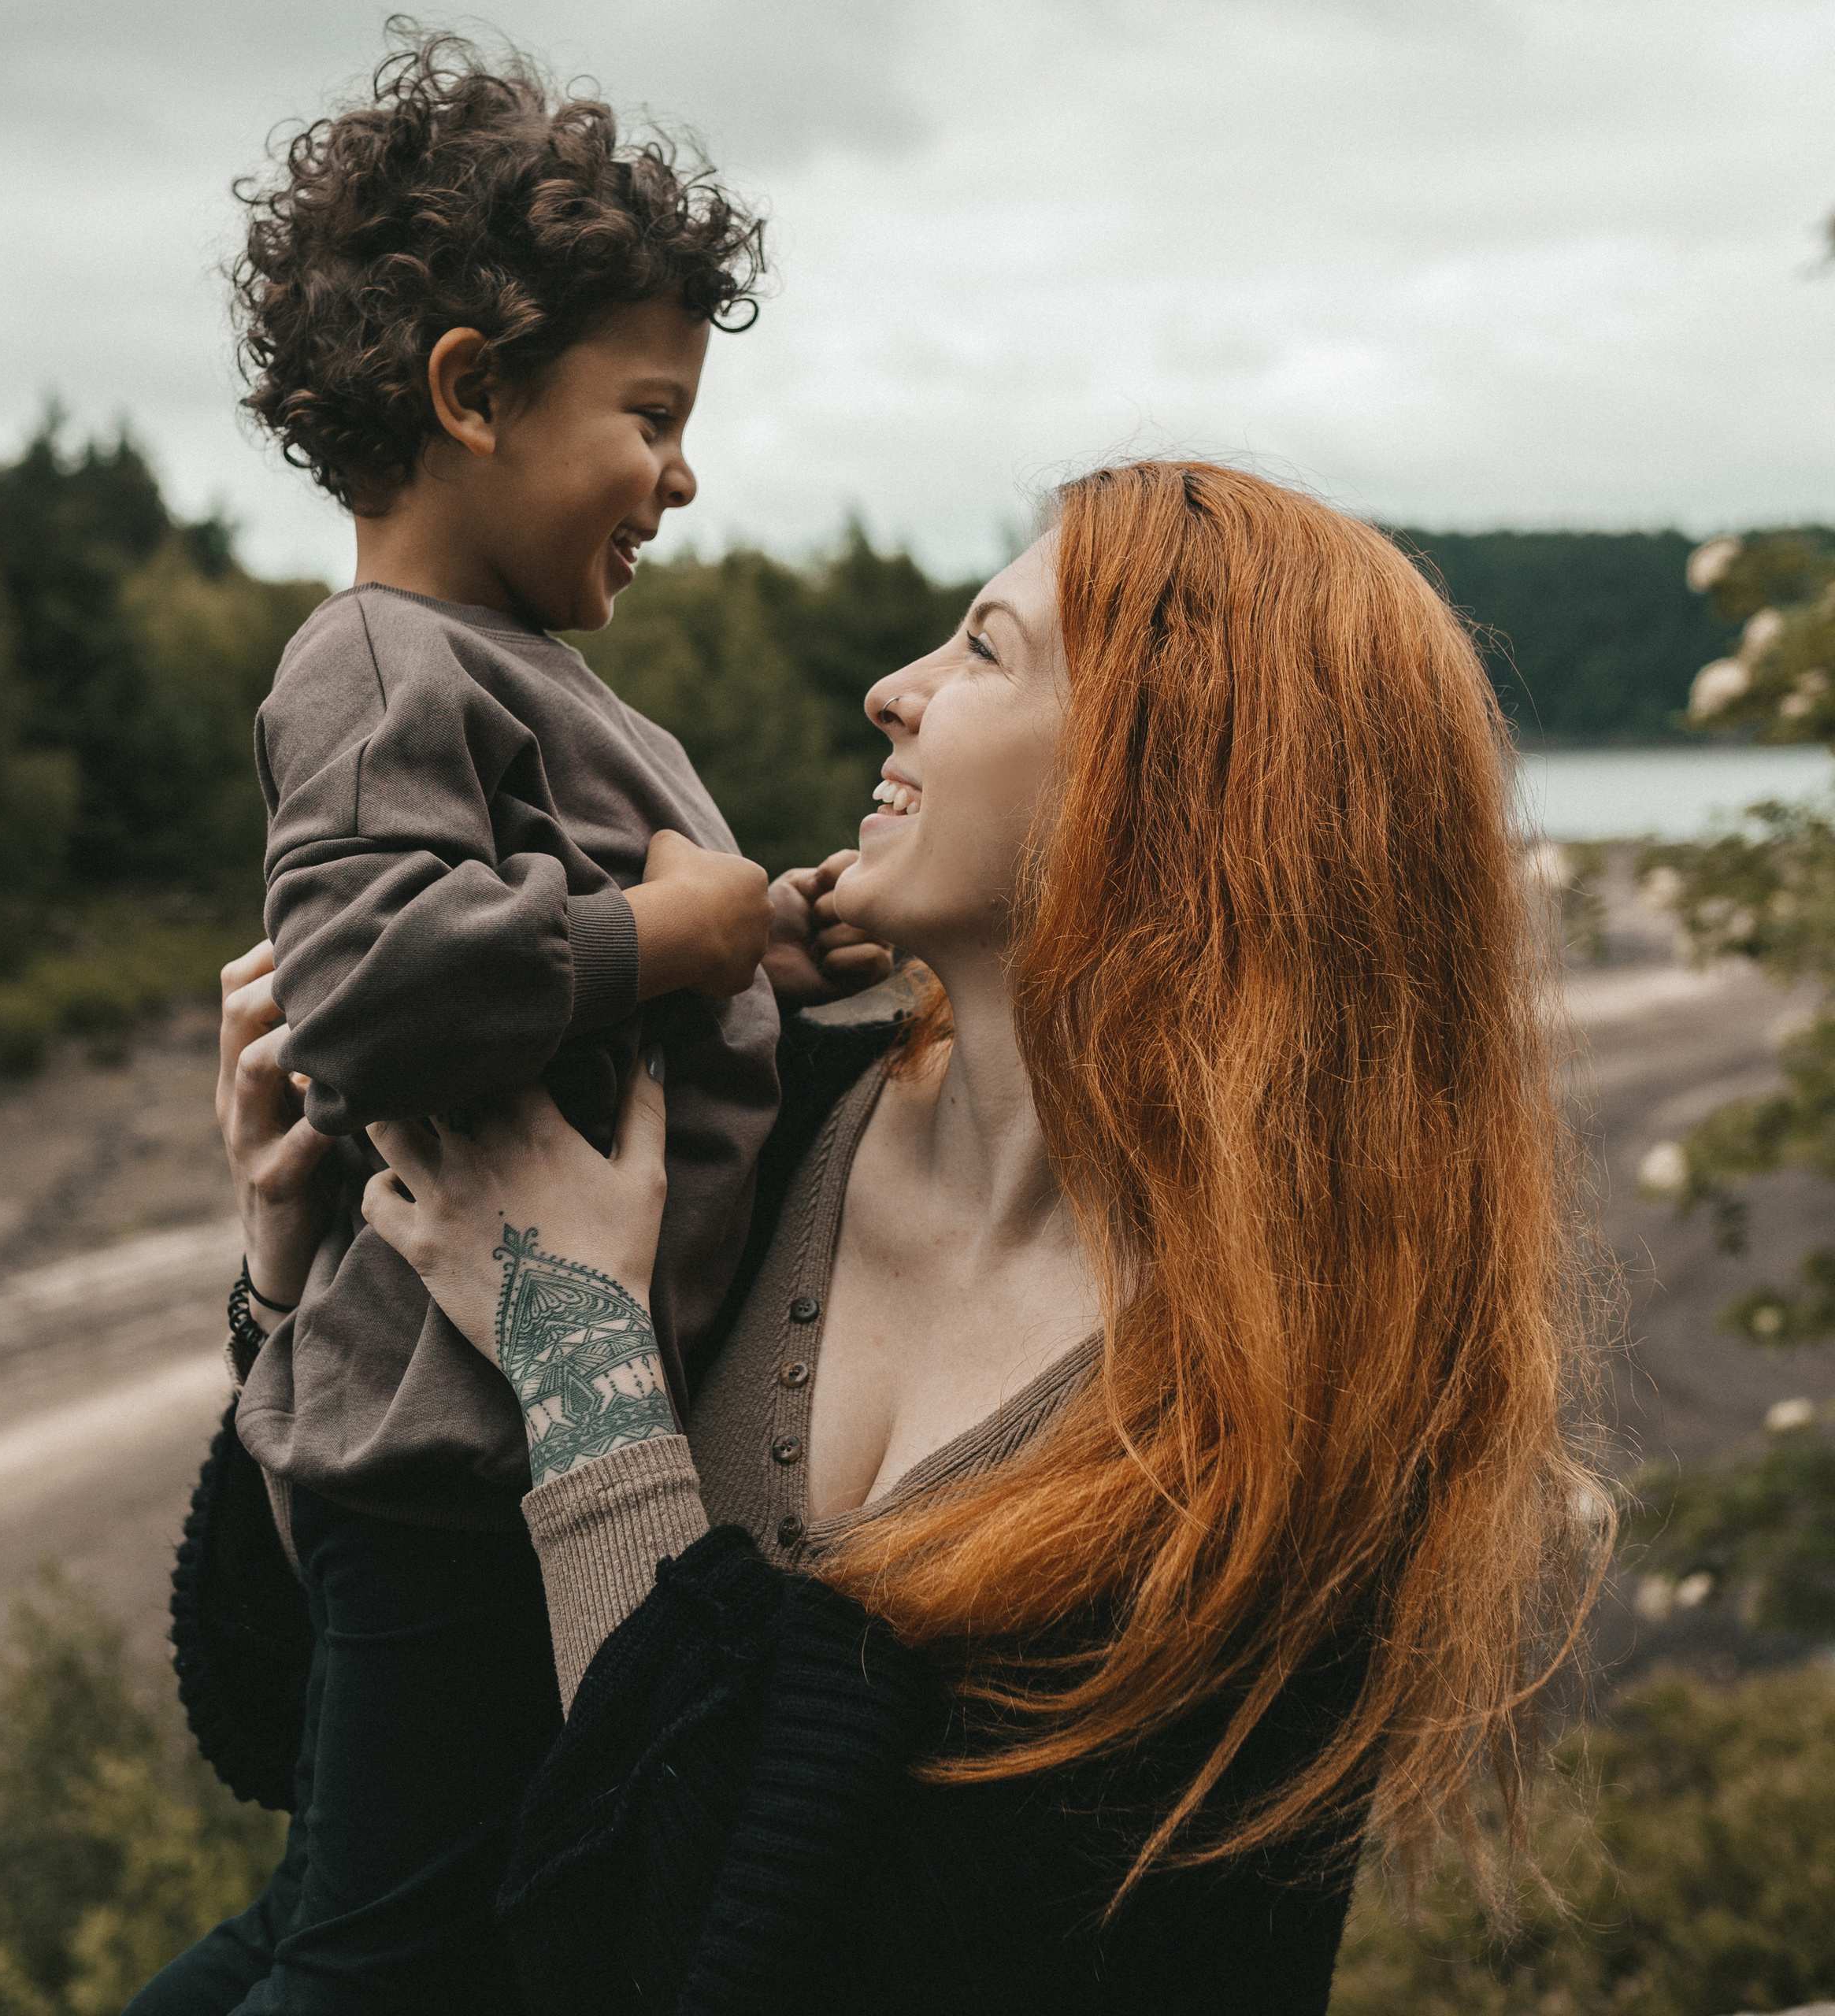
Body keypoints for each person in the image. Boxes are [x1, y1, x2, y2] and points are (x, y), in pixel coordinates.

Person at [180, 460, 1606, 2011]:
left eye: (981, 651)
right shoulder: (738, 1133)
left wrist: (579, 1358)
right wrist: (288, 1267)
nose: (888, 691)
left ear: (1177, 785)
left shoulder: (1272, 1451)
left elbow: (739, 1956)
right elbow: (279, 1716)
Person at [130, 34, 887, 2014]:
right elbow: (367, 983)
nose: (685, 471)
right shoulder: (373, 660)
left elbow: (614, 974)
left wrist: (764, 935)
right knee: (389, 1965)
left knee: (334, 1923)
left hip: (476, 1450)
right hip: (445, 1471)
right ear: (473, 391)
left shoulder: (523, 680)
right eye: (649, 413)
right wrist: (656, 933)